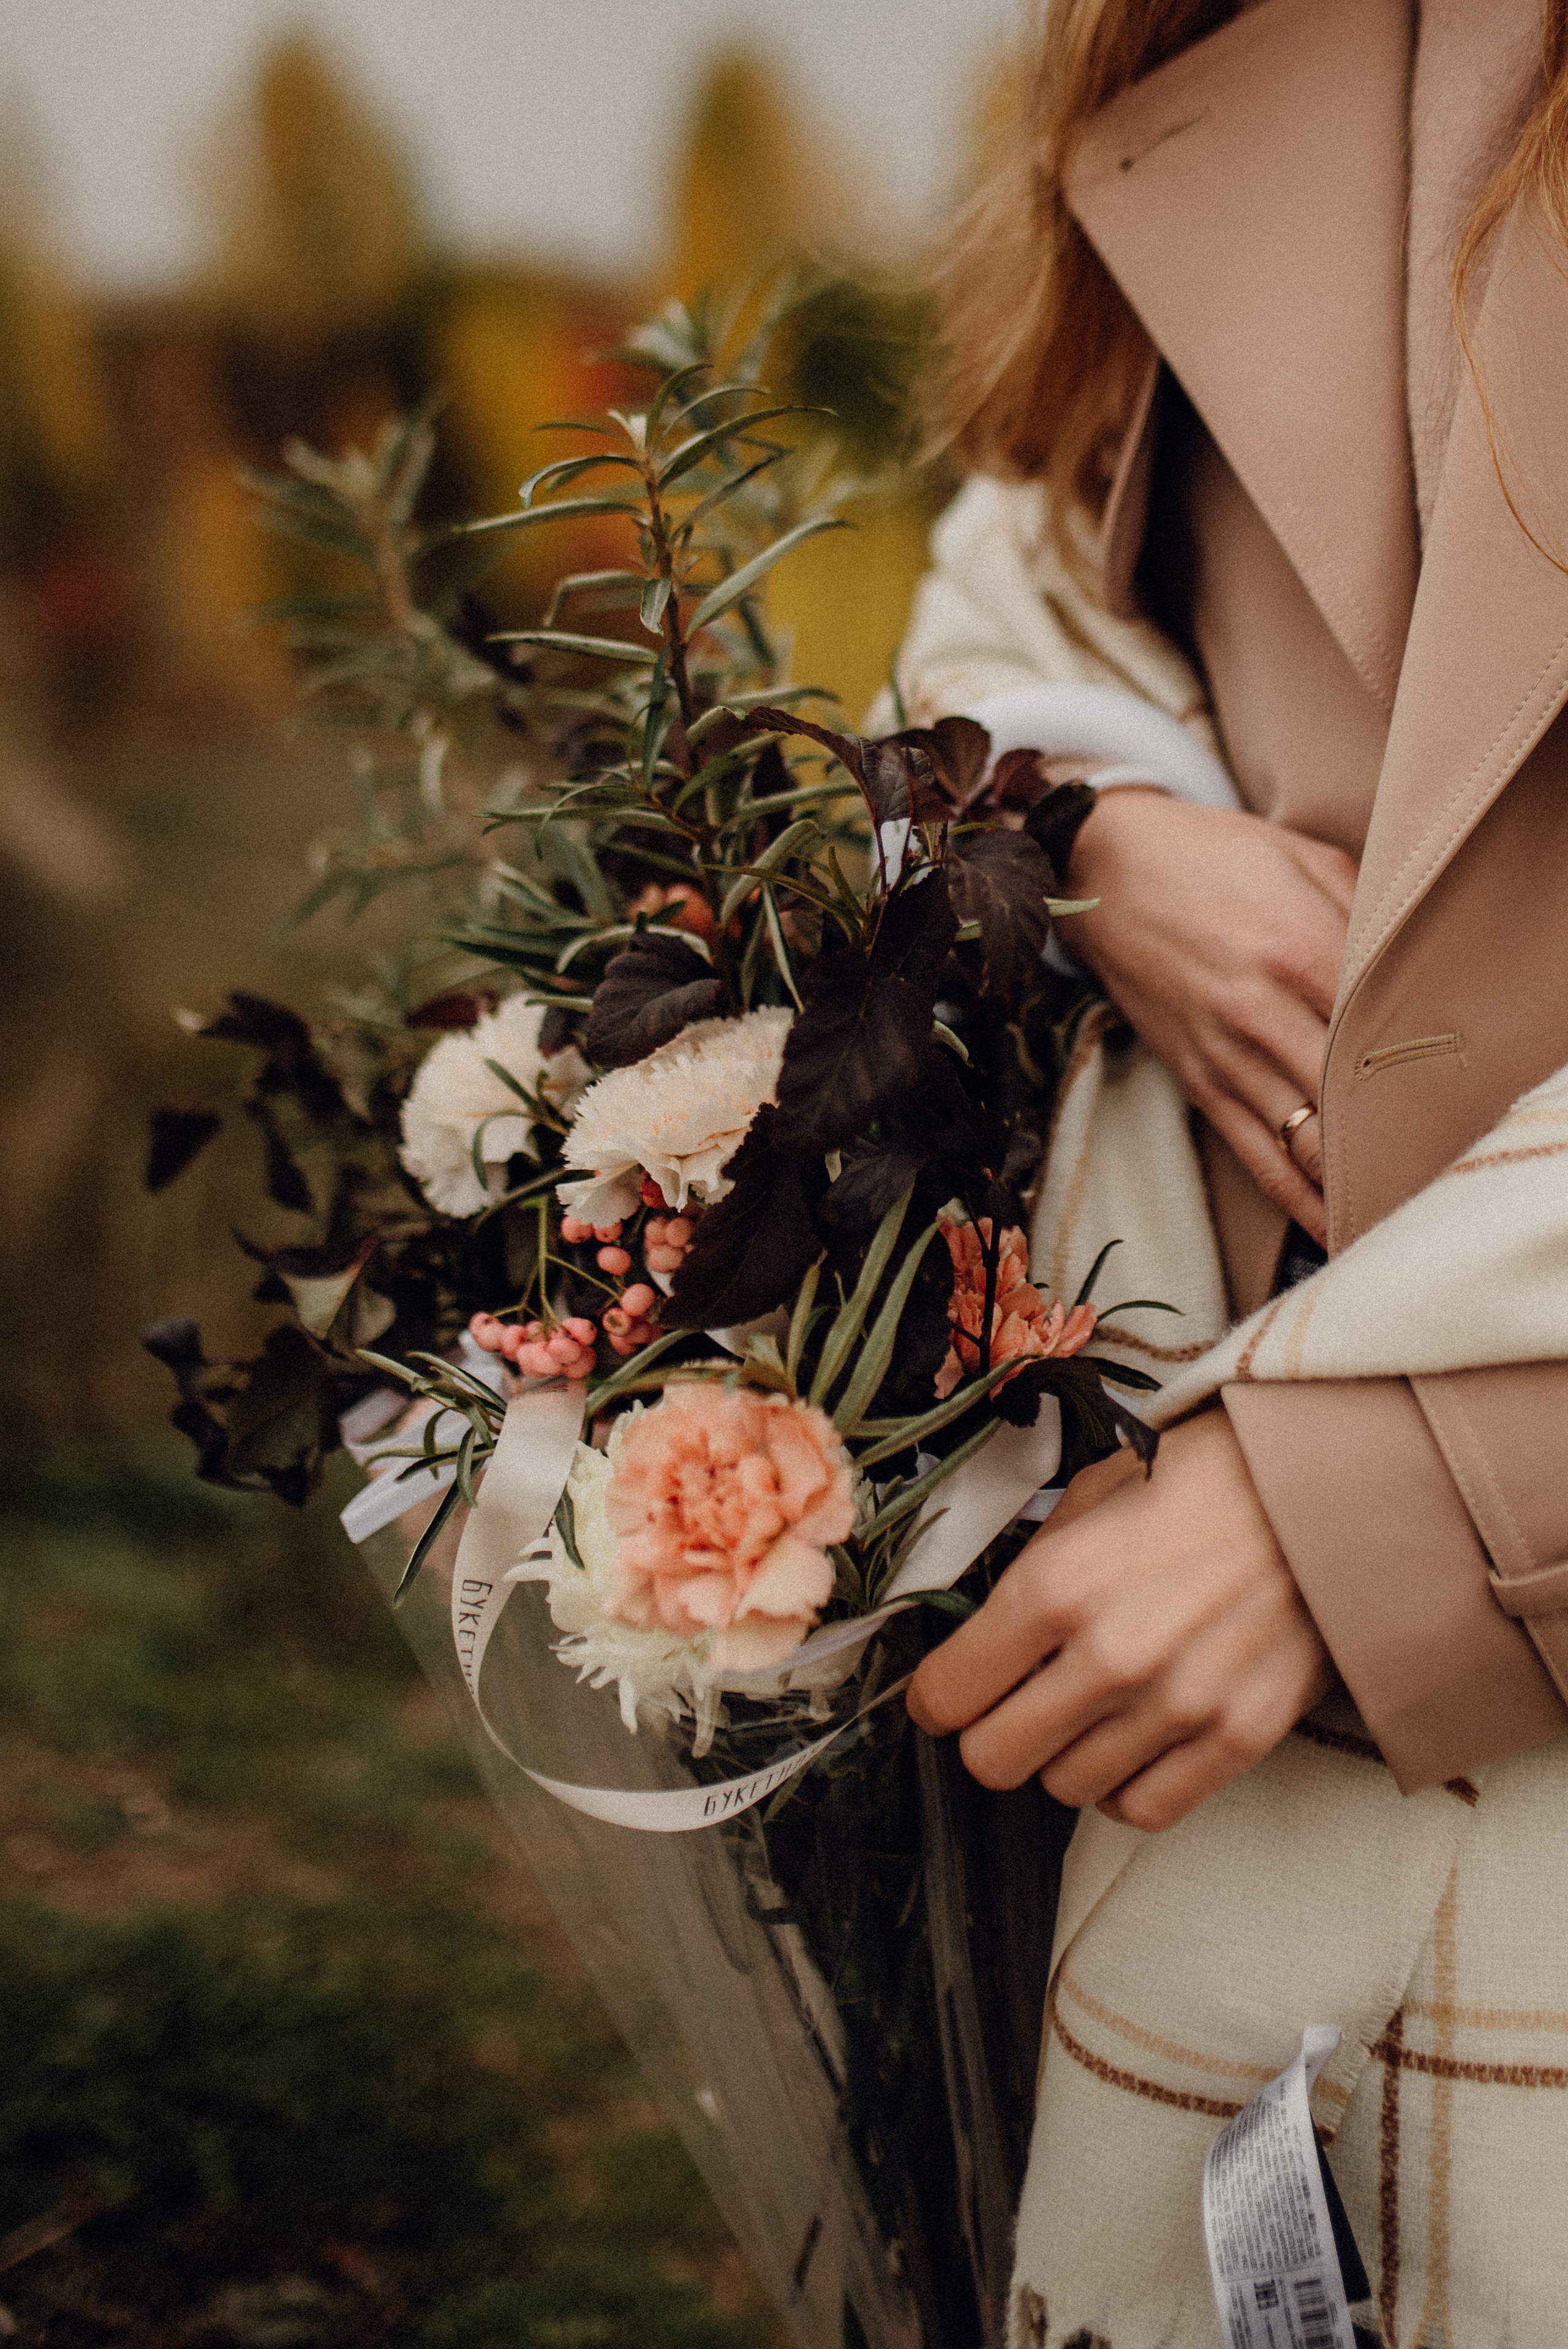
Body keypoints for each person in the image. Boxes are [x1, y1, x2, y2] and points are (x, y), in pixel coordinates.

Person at [900, 1, 1568, 2341]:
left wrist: (1365, 1508)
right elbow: (1017, 557)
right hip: (1214, 1736)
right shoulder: (1203, 53)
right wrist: (1087, 830)